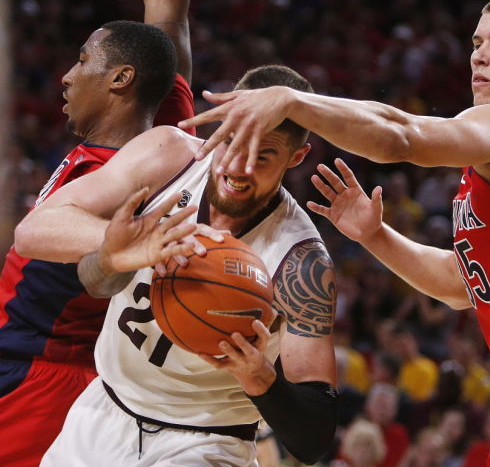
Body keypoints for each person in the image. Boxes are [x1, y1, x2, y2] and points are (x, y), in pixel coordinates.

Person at [179, 0, 490, 467]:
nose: (480, 54)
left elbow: (401, 135)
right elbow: (461, 285)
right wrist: (376, 236)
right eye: (476, 42)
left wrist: (293, 100)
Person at [16, 65, 338, 466]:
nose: (239, 167)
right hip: (102, 411)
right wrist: (119, 247)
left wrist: (260, 378)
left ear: (297, 156)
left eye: (263, 155)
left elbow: (314, 438)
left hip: (205, 442)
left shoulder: (301, 262)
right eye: (232, 143)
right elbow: (33, 232)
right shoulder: (168, 156)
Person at [0, 0, 195, 465]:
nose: (66, 77)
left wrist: (126, 240)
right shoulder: (162, 130)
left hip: (43, 379)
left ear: (121, 79)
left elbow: (39, 239)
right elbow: (167, 14)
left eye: (83, 60)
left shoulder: (131, 188)